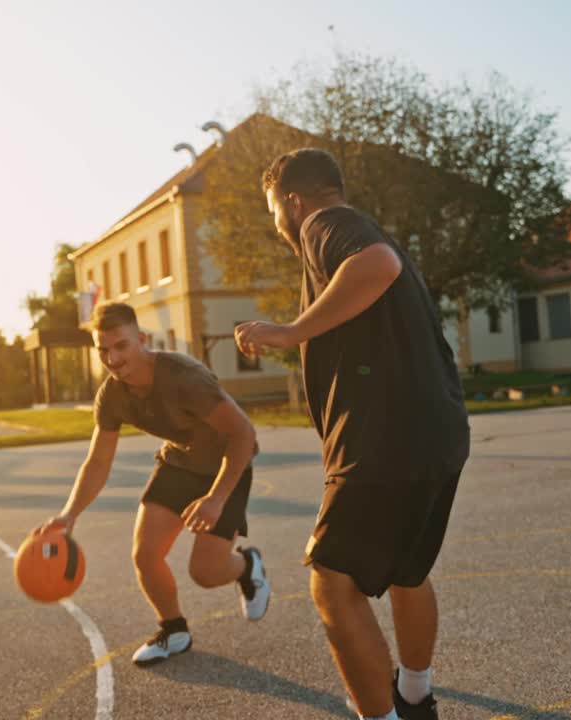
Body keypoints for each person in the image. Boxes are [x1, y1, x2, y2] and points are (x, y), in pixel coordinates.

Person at [235, 148, 470, 720]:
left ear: (293, 200)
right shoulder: (356, 227)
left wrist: (289, 331)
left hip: (381, 440)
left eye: (273, 213)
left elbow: (377, 266)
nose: (278, 227)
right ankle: (415, 697)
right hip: (435, 431)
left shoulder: (325, 224)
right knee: (408, 572)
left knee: (331, 584)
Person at [36, 301, 270, 666]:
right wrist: (69, 515)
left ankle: (247, 566)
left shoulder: (183, 378)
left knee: (206, 574)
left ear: (141, 339)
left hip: (226, 465)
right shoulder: (112, 394)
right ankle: (173, 629)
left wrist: (215, 498)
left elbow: (243, 433)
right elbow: (98, 461)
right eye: (103, 350)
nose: (112, 359)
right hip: (178, 463)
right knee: (145, 554)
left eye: (121, 346)